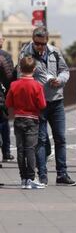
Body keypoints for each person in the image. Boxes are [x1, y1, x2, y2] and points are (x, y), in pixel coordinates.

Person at [19, 26, 76, 186]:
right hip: (38, 104)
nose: (39, 47)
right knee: (41, 140)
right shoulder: (25, 53)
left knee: (60, 138)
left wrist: (60, 80)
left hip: (57, 100)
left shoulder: (55, 52)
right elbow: (20, 76)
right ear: (33, 39)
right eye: (36, 43)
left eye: (42, 43)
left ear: (47, 41)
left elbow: (65, 71)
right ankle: (43, 176)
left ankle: (62, 174)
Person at [6, 56, 46, 189]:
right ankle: (31, 178)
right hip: (32, 119)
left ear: (20, 68)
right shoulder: (37, 85)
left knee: (20, 149)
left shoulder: (14, 84)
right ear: (34, 69)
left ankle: (23, 178)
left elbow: (8, 103)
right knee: (30, 149)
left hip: (18, 118)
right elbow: (42, 104)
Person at [0, 33, 15, 163]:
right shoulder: (5, 56)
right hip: (2, 96)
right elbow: (9, 77)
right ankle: (6, 152)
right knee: (4, 123)